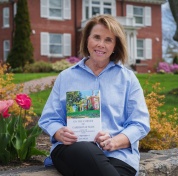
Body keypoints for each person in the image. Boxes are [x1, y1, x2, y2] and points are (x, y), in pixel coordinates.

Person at [38, 14, 150, 176]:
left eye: (108, 40)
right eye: (96, 37)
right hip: (73, 150)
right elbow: (49, 118)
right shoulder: (66, 77)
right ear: (86, 39)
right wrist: (58, 132)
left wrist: (114, 142)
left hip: (118, 154)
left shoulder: (127, 79)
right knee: (85, 149)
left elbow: (140, 123)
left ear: (115, 46)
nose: (101, 44)